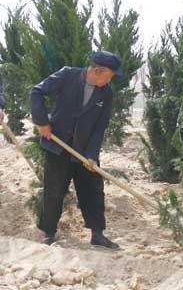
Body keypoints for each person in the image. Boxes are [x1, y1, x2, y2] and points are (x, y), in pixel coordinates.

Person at [30, 51, 122, 249]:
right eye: (109, 75)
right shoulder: (67, 76)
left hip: (83, 150)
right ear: (98, 71)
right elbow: (36, 91)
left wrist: (92, 156)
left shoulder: (106, 92)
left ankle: (97, 234)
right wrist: (42, 122)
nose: (110, 80)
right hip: (58, 146)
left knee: (94, 190)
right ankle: (49, 233)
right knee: (54, 191)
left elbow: (99, 127)